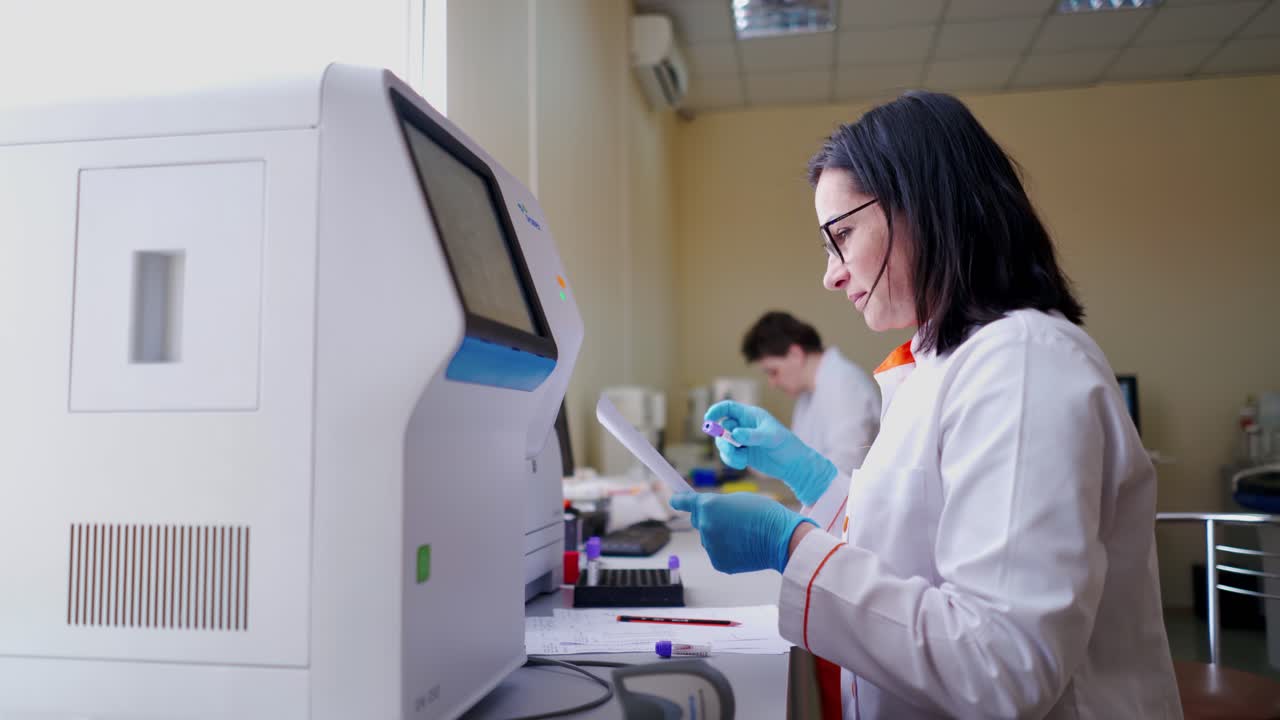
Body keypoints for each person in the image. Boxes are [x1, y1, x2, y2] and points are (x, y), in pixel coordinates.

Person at [670, 91, 1181, 719]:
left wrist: (790, 546)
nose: (830, 275)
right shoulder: (945, 361)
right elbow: (910, 545)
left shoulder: (1023, 365)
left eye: (842, 235)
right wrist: (807, 473)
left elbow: (1002, 668)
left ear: (923, 208)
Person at [741, 311, 879, 485]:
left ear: (795, 354)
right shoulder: (809, 394)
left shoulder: (845, 384)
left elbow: (845, 467)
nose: (772, 383)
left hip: (850, 507)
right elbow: (798, 458)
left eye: (773, 372)